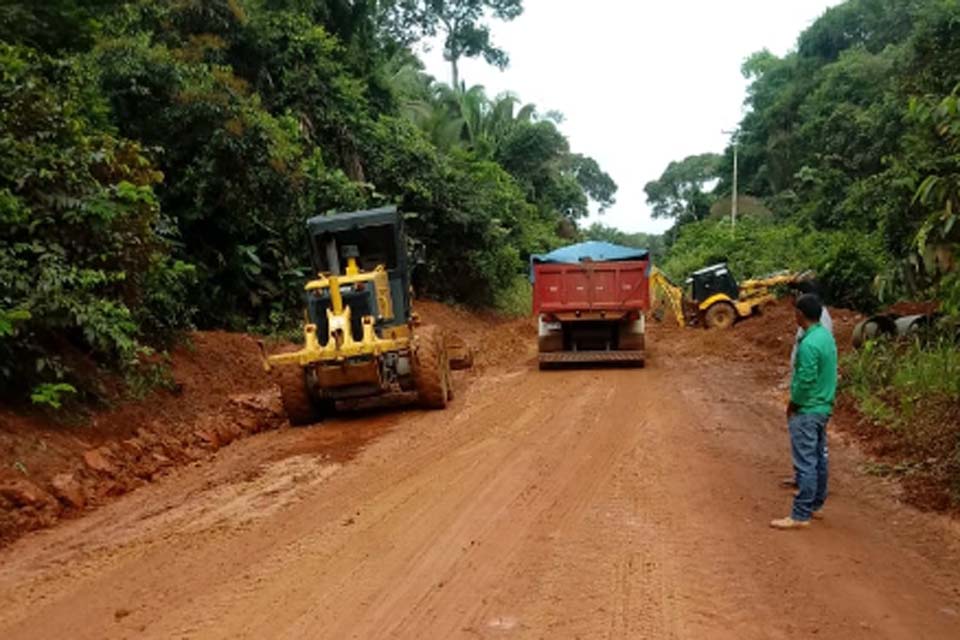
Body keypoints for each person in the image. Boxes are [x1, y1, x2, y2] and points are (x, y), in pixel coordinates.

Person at [771, 293, 838, 530]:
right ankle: (815, 505)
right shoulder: (825, 337)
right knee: (819, 459)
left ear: (800, 314)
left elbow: (805, 380)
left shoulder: (808, 344)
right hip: (823, 407)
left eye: (795, 312)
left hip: (807, 409)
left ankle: (800, 514)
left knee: (805, 463)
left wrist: (793, 404)